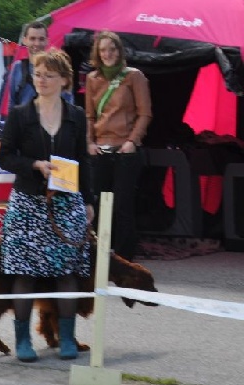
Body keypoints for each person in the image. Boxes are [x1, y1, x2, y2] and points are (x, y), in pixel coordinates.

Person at [0, 49, 95, 362]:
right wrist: (34, 165)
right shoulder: (20, 114)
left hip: (67, 202)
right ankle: (23, 340)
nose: (42, 80)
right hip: (27, 203)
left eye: (49, 75)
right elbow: (5, 156)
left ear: (64, 80)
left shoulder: (76, 116)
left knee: (67, 272)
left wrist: (89, 200)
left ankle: (67, 338)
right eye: (38, 74)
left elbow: (84, 161)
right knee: (24, 273)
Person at [85, 30, 152, 261]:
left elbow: (145, 113)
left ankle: (124, 259)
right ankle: (99, 255)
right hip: (100, 150)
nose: (107, 54)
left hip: (125, 150)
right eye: (103, 50)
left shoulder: (134, 76)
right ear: (97, 53)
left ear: (119, 51)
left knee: (122, 206)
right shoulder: (92, 78)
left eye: (111, 49)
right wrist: (89, 142)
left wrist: (133, 141)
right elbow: (90, 117)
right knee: (97, 205)